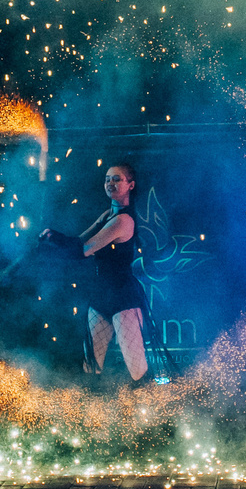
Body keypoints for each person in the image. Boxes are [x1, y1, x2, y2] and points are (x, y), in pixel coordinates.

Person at [76, 163, 147, 385]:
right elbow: (79, 242)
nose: (110, 183)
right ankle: (91, 413)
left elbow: (85, 250)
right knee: (91, 364)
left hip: (123, 296)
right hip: (101, 294)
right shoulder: (108, 214)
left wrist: (53, 240)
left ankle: (154, 410)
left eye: (117, 179)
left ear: (130, 185)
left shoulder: (122, 220)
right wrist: (52, 237)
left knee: (136, 367)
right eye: (107, 179)